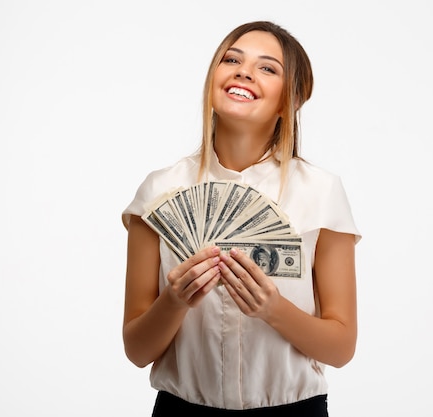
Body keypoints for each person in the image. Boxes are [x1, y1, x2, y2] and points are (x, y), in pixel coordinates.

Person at [121, 21, 361, 416]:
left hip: (293, 412)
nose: (243, 71)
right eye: (231, 59)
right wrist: (174, 301)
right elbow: (136, 349)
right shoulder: (158, 192)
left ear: (289, 101)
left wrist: (274, 309)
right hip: (182, 411)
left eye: (268, 68)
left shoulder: (321, 192)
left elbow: (341, 348)